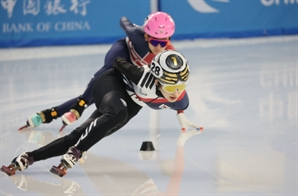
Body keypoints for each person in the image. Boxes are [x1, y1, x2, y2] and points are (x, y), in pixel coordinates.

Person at [1, 50, 202, 177]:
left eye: (181, 85)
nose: (176, 92)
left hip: (131, 103)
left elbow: (180, 106)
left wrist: (183, 119)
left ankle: (28, 158)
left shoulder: (181, 98)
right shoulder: (142, 77)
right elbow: (117, 61)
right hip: (110, 84)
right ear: (157, 79)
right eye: (170, 85)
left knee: (79, 135)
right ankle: (76, 152)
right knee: (119, 114)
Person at [20, 11, 177, 131]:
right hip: (123, 51)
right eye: (155, 41)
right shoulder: (136, 35)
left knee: (101, 94)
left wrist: (180, 112)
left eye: (164, 42)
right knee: (104, 74)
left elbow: (175, 85)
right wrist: (135, 26)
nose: (159, 46)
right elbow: (124, 21)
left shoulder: (168, 54)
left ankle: (48, 114)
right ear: (146, 36)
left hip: (132, 65)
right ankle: (79, 107)